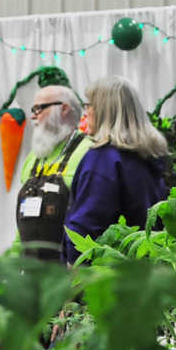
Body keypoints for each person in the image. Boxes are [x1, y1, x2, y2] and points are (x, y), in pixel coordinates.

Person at [63, 76, 168, 264]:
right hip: (146, 271)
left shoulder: (102, 159)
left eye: (89, 105)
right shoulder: (147, 157)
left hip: (105, 277)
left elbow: (86, 226)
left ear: (104, 110)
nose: (85, 113)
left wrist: (74, 268)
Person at [15, 84, 92, 261]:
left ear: (64, 109)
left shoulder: (88, 152)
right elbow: (23, 222)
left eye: (39, 108)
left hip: (70, 269)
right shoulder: (34, 157)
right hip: (31, 269)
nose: (33, 115)